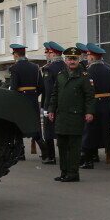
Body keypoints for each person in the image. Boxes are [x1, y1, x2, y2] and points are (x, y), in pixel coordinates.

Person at [47, 46, 95, 182]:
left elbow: (90, 97)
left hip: (75, 116)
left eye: (74, 59)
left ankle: (73, 173)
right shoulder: (61, 75)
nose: (71, 61)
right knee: (62, 145)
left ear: (79, 60)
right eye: (69, 59)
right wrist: (51, 109)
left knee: (73, 147)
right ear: (65, 60)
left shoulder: (85, 76)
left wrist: (90, 112)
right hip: (61, 116)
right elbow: (55, 94)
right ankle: (64, 172)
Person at [81, 43, 110, 170]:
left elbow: (85, 92)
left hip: (94, 105)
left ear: (92, 57)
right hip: (109, 104)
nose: (87, 58)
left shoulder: (87, 72)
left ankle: (88, 161)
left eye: (88, 56)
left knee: (89, 133)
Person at [7, 43, 45, 159]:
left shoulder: (14, 68)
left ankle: (20, 153)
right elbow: (41, 87)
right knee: (35, 125)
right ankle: (46, 152)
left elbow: (14, 87)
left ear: (16, 54)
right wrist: (33, 95)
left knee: (18, 126)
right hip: (33, 99)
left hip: (20, 100)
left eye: (14, 54)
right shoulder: (35, 67)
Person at [39, 42, 67, 165]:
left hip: (52, 103)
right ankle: (66, 155)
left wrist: (46, 107)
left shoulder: (48, 69)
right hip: (66, 102)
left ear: (54, 53)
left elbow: (48, 90)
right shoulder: (67, 66)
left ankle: (51, 156)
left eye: (48, 52)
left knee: (49, 131)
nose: (47, 55)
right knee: (64, 130)